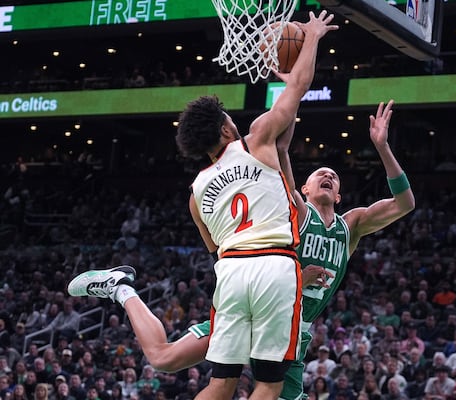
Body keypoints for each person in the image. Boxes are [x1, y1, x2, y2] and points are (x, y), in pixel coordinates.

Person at [67, 11, 338, 400]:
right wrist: (311, 37)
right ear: (228, 129)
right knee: (268, 384)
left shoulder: (196, 194)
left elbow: (215, 252)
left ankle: (123, 292)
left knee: (220, 383)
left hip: (230, 272)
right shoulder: (256, 139)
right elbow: (302, 87)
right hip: (274, 266)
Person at [68, 97, 414, 400]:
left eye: (333, 177)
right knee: (163, 359)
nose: (327, 175)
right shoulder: (294, 207)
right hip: (256, 306)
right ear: (303, 189)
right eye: (319, 173)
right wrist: (296, 276)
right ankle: (122, 289)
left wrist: (382, 147)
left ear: (338, 196)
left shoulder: (350, 226)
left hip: (291, 328)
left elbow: (405, 203)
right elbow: (279, 150)